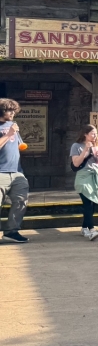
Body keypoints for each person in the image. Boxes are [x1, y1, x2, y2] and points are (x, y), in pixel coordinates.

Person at [0, 98, 29, 243]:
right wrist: (8, 134)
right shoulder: (8, 129)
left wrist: (21, 145)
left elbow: (17, 144)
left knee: (21, 201)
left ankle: (11, 231)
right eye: (9, 110)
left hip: (17, 171)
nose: (12, 113)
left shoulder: (13, 125)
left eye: (13, 110)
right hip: (0, 172)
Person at [70, 126, 98, 241]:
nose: (95, 136)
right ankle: (91, 230)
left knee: (94, 203)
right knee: (88, 203)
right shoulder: (76, 146)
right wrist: (86, 150)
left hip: (96, 176)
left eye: (96, 133)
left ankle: (84, 227)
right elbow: (76, 164)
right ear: (85, 134)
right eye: (92, 133)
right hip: (84, 177)